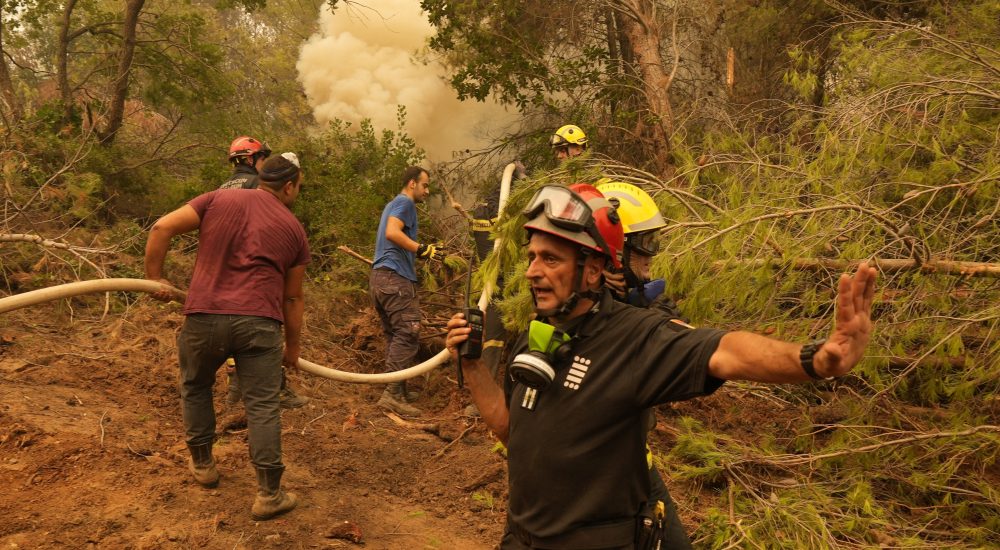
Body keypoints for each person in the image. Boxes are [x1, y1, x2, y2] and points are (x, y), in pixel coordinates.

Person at [445, 183, 877, 549]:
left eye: (551, 259)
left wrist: (815, 359)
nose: (532, 272)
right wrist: (474, 367)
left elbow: (725, 351)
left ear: (593, 271)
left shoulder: (637, 337)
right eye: (532, 257)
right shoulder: (535, 337)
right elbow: (510, 432)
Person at [144, 153, 310, 521]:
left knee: (196, 386)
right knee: (263, 405)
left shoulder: (216, 198)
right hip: (260, 325)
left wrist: (155, 278)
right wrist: (293, 348)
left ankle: (203, 465)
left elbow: (160, 228)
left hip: (203, 316)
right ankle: (269, 494)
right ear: (288, 186)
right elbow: (293, 296)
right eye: (298, 187)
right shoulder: (294, 228)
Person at [597, 180, 693, 547]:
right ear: (614, 251)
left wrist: (635, 302)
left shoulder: (641, 302)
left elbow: (680, 329)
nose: (653, 253)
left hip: (635, 458)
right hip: (596, 474)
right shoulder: (573, 314)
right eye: (646, 244)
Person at [219, 138, 310, 410]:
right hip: (254, 272)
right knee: (263, 330)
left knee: (233, 335)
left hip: (224, 273)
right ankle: (276, 389)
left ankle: (235, 390)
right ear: (250, 159)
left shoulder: (224, 188)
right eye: (262, 158)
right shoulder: (256, 187)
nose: (265, 165)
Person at [370, 166, 436, 416]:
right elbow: (392, 232)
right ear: (412, 184)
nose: (427, 191)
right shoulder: (404, 203)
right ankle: (392, 395)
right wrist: (420, 249)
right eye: (425, 185)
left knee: (395, 335)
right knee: (408, 333)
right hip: (394, 279)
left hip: (379, 279)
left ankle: (399, 390)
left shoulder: (393, 204)